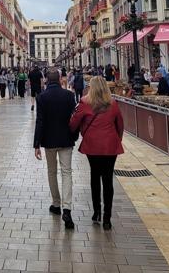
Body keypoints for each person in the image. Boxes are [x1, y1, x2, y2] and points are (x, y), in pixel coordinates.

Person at [69, 76, 123, 231]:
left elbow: (73, 124)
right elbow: (120, 125)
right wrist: (116, 140)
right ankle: (107, 218)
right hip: (110, 146)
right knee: (108, 180)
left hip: (92, 146)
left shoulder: (85, 103)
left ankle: (97, 212)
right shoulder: (113, 103)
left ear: (91, 87)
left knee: (95, 176)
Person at [33, 68, 76, 229]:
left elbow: (40, 121)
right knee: (67, 172)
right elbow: (74, 118)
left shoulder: (41, 97)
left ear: (46, 80)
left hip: (49, 141)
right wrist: (74, 135)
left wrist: (37, 144)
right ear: (59, 79)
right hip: (66, 139)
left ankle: (56, 204)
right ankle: (67, 208)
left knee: (52, 172)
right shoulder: (69, 96)